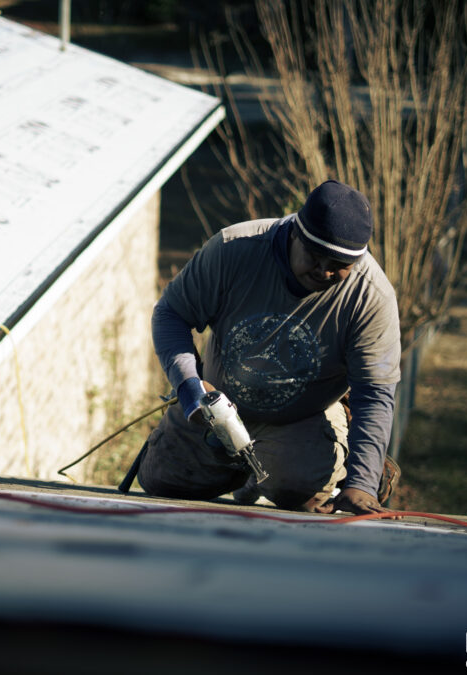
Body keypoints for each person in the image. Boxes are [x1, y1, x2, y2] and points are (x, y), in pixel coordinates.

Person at [139, 179, 401, 515]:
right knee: (161, 479)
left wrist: (361, 483)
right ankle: (244, 475)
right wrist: (189, 386)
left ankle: (291, 472)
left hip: (304, 417)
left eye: (339, 266)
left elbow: (375, 392)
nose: (323, 271)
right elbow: (171, 314)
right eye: (315, 256)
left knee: (298, 491)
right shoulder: (233, 249)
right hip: (217, 412)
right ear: (295, 233)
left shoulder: (371, 298)